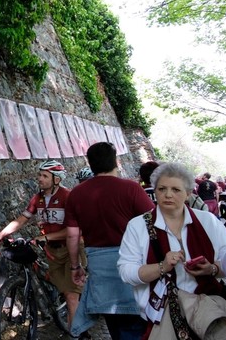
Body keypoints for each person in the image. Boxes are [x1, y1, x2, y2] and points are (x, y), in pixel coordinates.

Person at [118, 162, 226, 338]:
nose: (168, 195)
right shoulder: (138, 225)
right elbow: (126, 272)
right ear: (155, 190)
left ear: (188, 193)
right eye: (162, 189)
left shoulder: (208, 221)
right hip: (162, 317)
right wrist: (161, 266)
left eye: (176, 190)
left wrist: (212, 269)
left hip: (207, 312)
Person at [65, 142, 155, 340]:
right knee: (138, 321)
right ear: (116, 161)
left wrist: (75, 266)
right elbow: (154, 223)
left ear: (90, 163)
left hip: (98, 265)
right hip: (134, 262)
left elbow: (72, 235)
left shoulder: (76, 194)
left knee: (115, 321)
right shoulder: (131, 189)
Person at [0, 161, 86, 332]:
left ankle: (77, 333)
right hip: (52, 251)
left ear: (56, 179)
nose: (39, 179)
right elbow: (22, 219)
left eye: (44, 176)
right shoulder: (37, 199)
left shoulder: (67, 197)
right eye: (39, 175)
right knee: (58, 285)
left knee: (71, 296)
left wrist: (47, 236)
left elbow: (76, 230)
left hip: (71, 249)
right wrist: (1, 234)